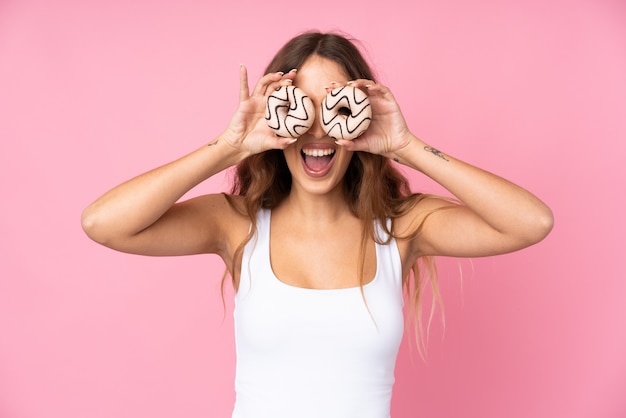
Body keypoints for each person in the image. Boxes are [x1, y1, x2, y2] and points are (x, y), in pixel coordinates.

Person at [81, 31, 553, 418]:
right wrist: (229, 146)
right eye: (299, 106)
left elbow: (531, 222)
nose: (318, 129)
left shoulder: (402, 228)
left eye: (336, 105)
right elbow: (104, 223)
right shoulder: (237, 224)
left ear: (362, 115)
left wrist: (405, 145)